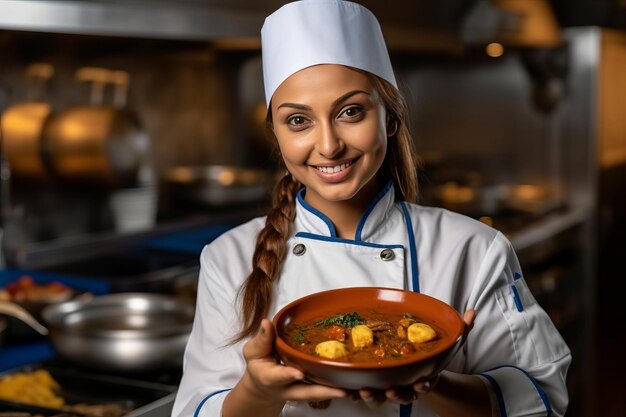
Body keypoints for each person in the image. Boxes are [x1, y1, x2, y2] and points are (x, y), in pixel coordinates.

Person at [171, 1, 571, 416]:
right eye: (298, 121)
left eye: (350, 112)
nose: (328, 145)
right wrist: (259, 391)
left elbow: (540, 402)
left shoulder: (474, 249)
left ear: (391, 118)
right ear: (275, 133)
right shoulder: (228, 258)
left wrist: (433, 379)